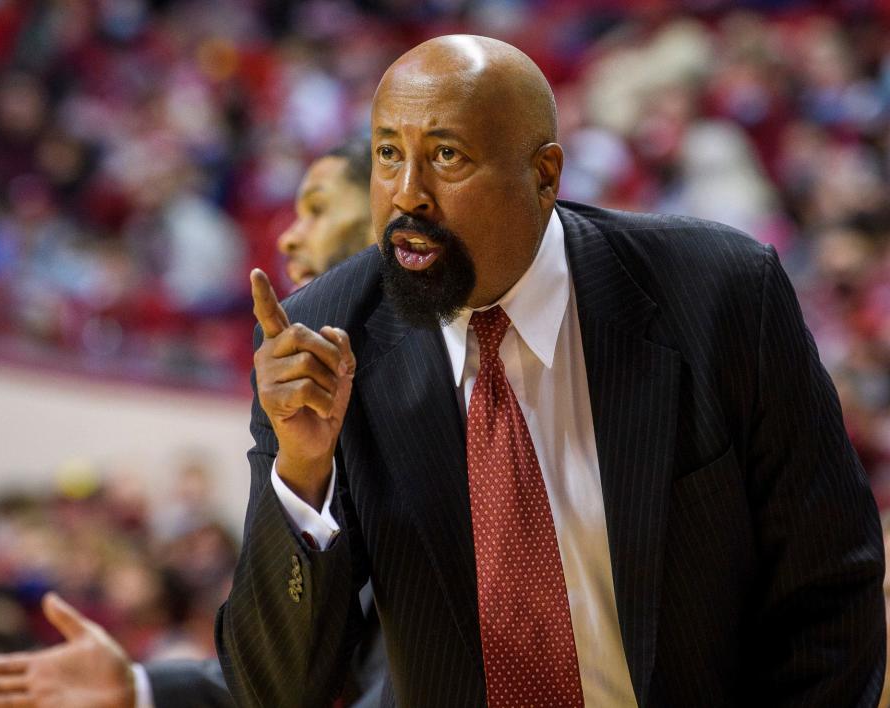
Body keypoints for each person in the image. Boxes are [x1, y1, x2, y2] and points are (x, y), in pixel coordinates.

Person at [217, 34, 886, 707]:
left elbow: (829, 588)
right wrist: (302, 473)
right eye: (389, 153)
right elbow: (277, 690)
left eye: (447, 156)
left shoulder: (718, 296)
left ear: (544, 175)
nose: (407, 194)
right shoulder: (324, 337)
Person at [0, 140, 378, 708]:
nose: (289, 236)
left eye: (317, 209)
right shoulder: (304, 407)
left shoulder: (451, 397)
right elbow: (293, 678)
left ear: (387, 221)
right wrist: (144, 688)